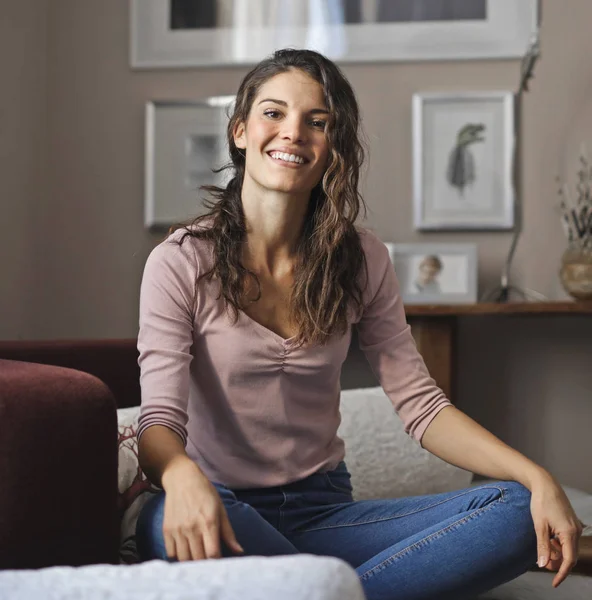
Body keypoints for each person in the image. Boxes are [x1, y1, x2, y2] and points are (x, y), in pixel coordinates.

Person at [135, 48, 583, 600]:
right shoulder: (180, 261)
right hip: (225, 506)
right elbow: (158, 421)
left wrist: (537, 477)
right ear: (241, 131)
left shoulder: (363, 259)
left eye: (317, 122)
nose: (293, 132)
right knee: (159, 521)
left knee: (517, 510)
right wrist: (181, 478)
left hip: (325, 514)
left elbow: (422, 406)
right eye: (274, 113)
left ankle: (306, 589)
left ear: (332, 148)